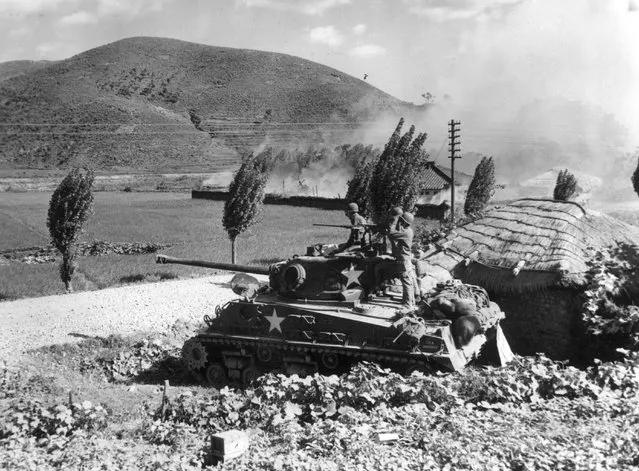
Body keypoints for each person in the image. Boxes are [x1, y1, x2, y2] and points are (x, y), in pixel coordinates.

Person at [374, 207, 417, 312]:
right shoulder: (407, 230)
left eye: (400, 220)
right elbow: (393, 237)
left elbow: (392, 234)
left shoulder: (405, 232)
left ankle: (408, 305)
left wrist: (394, 221)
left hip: (403, 260)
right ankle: (410, 302)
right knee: (408, 281)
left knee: (406, 281)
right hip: (403, 259)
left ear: (403, 221)